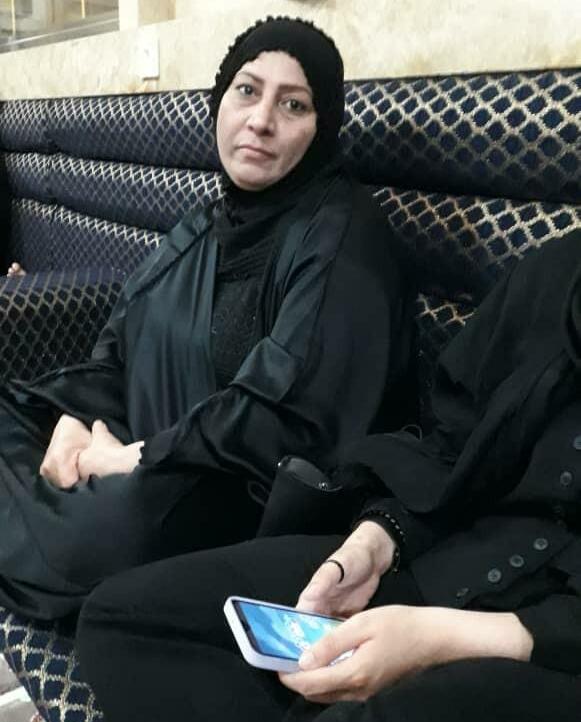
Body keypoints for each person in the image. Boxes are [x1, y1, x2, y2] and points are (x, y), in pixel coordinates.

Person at [78, 229, 581, 722]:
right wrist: (378, 538)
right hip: (456, 555)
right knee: (120, 623)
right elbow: (452, 442)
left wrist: (440, 639)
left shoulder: (342, 244)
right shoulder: (556, 270)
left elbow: (279, 416)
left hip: (550, 649)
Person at [0, 17, 412, 620]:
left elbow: (286, 415)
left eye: (293, 104)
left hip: (240, 497)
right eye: (247, 91)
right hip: (153, 454)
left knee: (107, 534)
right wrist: (74, 419)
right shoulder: (206, 225)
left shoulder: (343, 237)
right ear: (220, 102)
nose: (261, 120)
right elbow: (120, 353)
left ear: (322, 129)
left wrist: (130, 458)